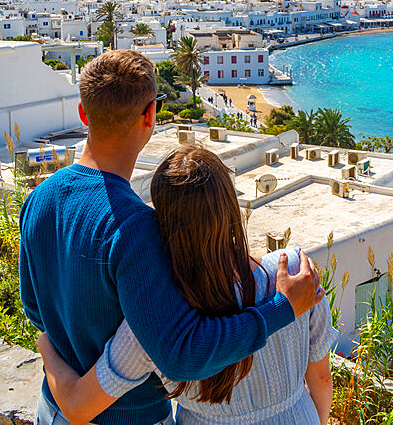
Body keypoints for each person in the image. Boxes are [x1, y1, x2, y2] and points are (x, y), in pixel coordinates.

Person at [19, 51, 323, 425]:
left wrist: (60, 371)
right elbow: (180, 356)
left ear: (83, 113)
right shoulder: (137, 229)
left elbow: (35, 309)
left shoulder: (38, 198)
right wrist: (282, 309)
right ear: (150, 115)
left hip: (49, 410)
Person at [37, 145, 338, 425]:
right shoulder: (296, 273)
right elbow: (321, 379)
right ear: (231, 207)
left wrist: (46, 347)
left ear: (162, 224)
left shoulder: (157, 319)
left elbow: (78, 406)